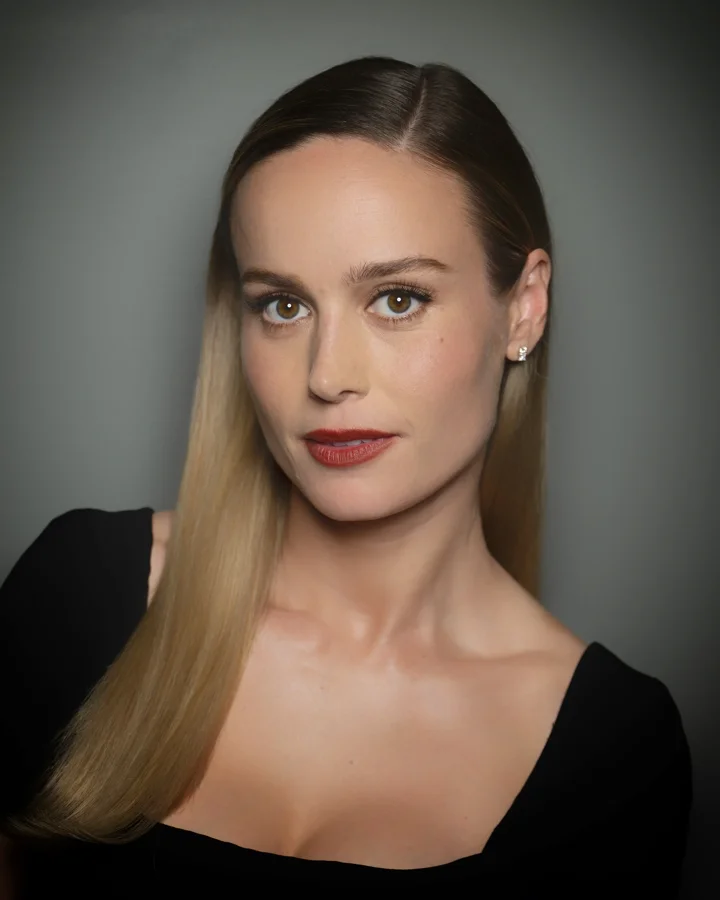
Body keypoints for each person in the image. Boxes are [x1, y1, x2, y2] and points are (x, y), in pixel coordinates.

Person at [0, 55, 692, 894]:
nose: (328, 376)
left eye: (397, 298)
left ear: (524, 307)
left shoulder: (614, 751)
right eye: (283, 305)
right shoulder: (81, 591)